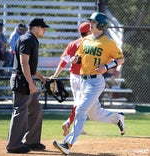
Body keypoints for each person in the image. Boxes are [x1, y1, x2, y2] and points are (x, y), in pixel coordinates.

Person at [53, 12, 125, 155]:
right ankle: (118, 118)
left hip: (96, 82)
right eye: (91, 22)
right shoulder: (86, 40)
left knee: (80, 110)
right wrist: (75, 59)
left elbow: (121, 59)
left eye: (93, 22)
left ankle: (68, 144)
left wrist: (106, 67)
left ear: (101, 24)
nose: (90, 24)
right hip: (83, 81)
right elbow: (80, 56)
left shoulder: (108, 42)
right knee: (94, 114)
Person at [6, 18, 49, 154]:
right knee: (20, 111)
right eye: (43, 28)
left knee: (36, 109)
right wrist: (31, 84)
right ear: (36, 27)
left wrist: (41, 77)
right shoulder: (27, 39)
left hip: (26, 79)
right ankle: (13, 145)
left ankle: (31, 141)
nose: (45, 30)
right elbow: (23, 63)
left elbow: (29, 65)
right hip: (22, 80)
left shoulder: (31, 39)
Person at [51, 22, 91, 136]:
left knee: (80, 102)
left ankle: (78, 126)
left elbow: (63, 62)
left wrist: (55, 75)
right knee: (80, 103)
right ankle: (69, 123)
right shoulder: (90, 44)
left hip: (73, 77)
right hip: (84, 77)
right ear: (88, 32)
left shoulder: (72, 44)